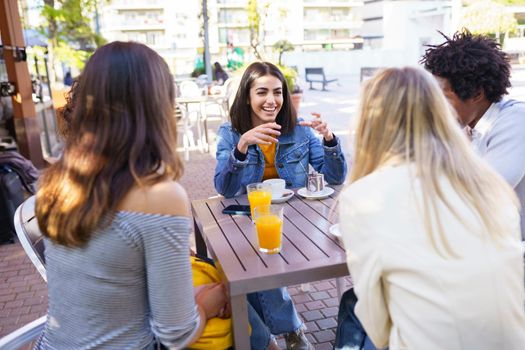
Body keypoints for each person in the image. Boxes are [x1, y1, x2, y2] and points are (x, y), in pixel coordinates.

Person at [34, 41, 229, 349]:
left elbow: (106, 287)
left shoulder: (56, 181)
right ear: (157, 107)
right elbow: (175, 334)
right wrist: (207, 304)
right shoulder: (161, 196)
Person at [335, 66, 525, 350]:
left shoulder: (363, 197)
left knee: (356, 312)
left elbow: (378, 328)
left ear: (368, 123)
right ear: (442, 113)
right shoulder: (489, 183)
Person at [214, 61, 347, 349]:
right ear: (247, 97)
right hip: (248, 222)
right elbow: (224, 188)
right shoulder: (231, 133)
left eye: (278, 92)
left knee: (248, 266)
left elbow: (335, 177)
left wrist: (329, 139)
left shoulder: (298, 131)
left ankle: (268, 341)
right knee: (243, 263)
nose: (271, 100)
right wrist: (242, 147)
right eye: (262, 92)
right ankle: (290, 332)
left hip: (299, 223)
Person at [420, 30, 525, 240]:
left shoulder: (516, 122)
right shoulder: (469, 126)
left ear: (477, 93)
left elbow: (480, 195)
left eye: (443, 97)